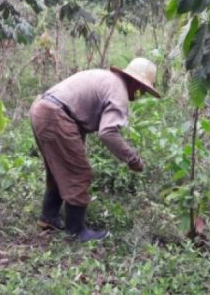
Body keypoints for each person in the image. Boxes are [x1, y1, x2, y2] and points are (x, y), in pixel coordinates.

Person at [29, 58, 161, 242]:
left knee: (59, 169)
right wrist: (132, 159)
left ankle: (48, 217)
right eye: (143, 90)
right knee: (79, 172)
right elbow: (108, 133)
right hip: (56, 115)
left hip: (42, 109)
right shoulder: (119, 92)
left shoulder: (107, 79)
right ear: (134, 82)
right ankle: (76, 231)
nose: (142, 95)